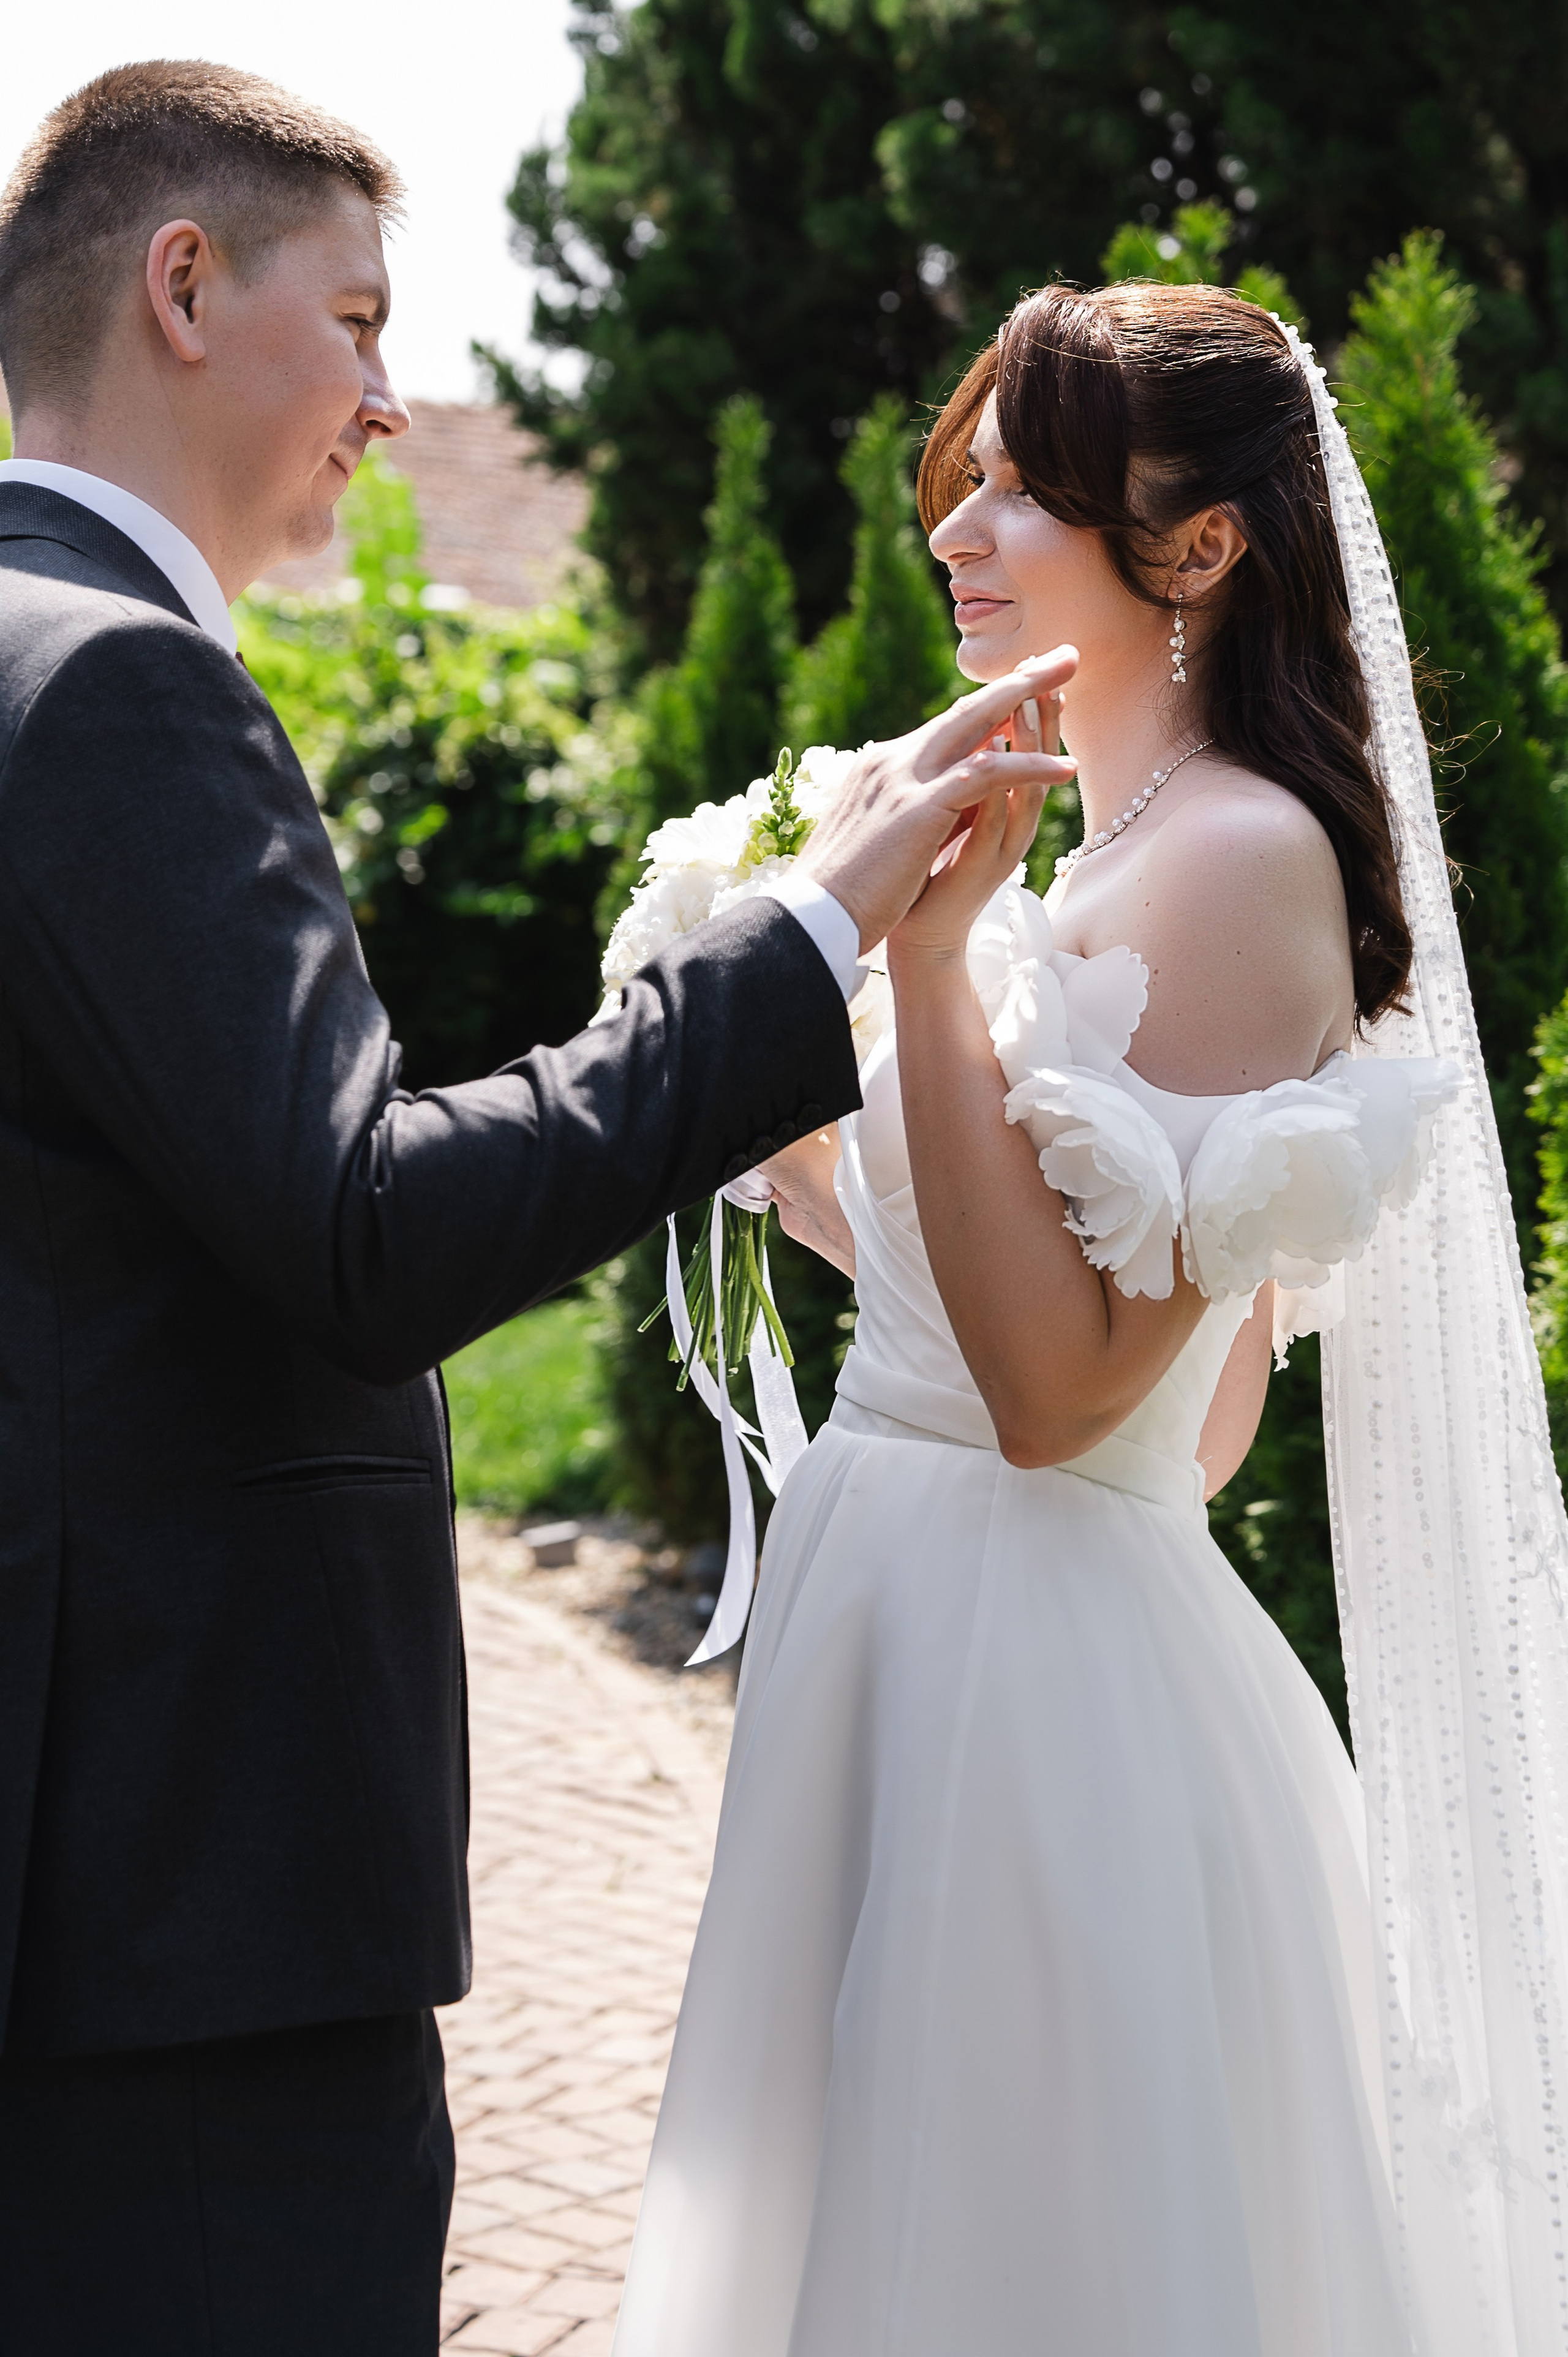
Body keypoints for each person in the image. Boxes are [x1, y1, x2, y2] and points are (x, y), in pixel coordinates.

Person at [0, 61, 1074, 2355]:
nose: (394, 402)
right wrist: (792, 944)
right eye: (364, 320)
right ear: (182, 285)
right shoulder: (116, 691)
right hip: (179, 1895)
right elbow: (369, 1226)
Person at [611, 281, 1568, 2354]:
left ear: (1202, 544)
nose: (952, 530)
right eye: (967, 485)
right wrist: (798, 1133)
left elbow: (1068, 1414)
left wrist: (930, 977)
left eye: (1020, 493)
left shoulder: (1234, 862)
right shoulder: (1097, 842)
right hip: (904, 1592)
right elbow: (1154, 1397)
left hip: (1027, 1689)